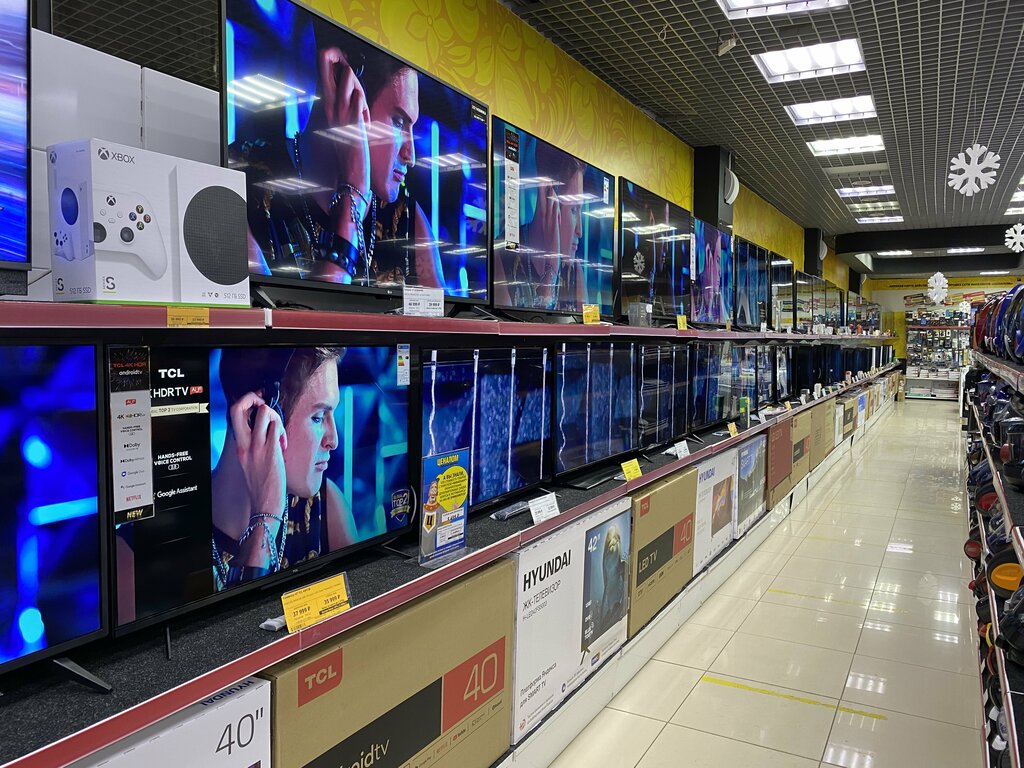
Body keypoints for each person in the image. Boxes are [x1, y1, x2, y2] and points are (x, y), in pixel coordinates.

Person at [238, 28, 443, 288]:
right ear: (343, 86)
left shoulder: (405, 215)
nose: (410, 156)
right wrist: (353, 193)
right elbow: (277, 316)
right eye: (398, 121)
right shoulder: (243, 180)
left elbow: (445, 312)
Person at [210, 347, 365, 589]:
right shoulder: (159, 543)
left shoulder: (327, 507)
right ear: (256, 416)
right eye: (318, 417)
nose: (333, 440)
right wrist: (266, 518)